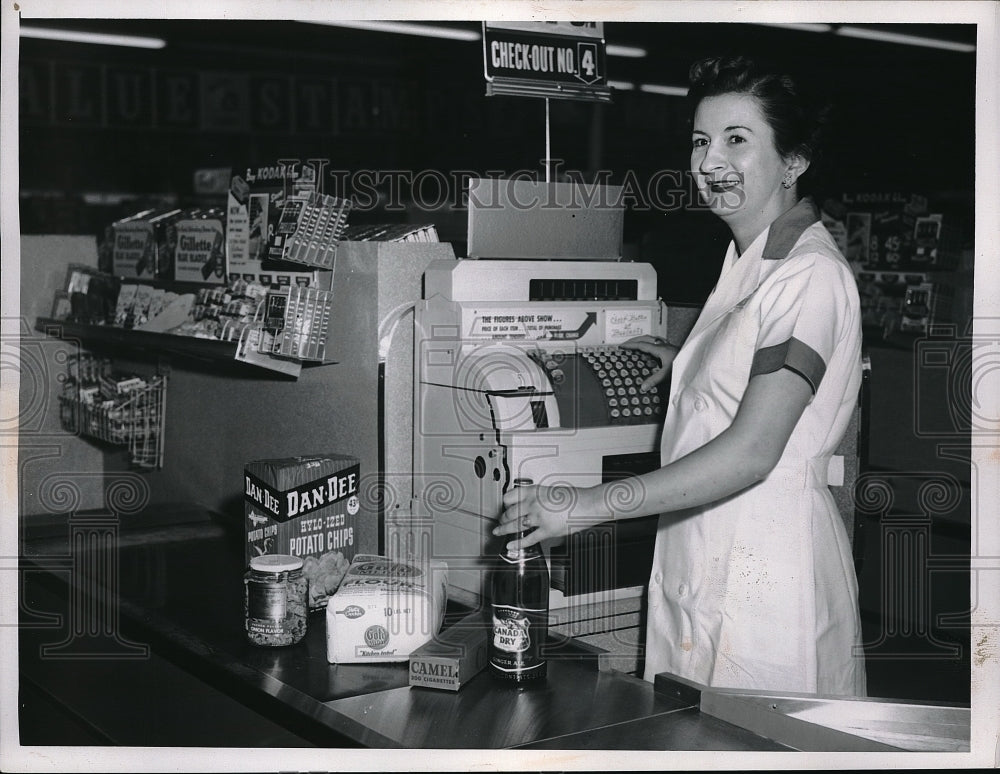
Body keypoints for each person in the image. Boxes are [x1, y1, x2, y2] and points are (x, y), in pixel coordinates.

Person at [493, 55, 866, 696]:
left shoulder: (810, 276)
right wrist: (689, 362)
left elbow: (752, 452)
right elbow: (753, 357)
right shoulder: (749, 260)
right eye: (700, 141)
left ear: (795, 160)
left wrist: (586, 507)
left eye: (736, 140)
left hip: (768, 572)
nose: (709, 161)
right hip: (707, 549)